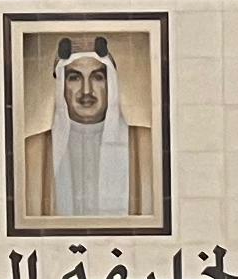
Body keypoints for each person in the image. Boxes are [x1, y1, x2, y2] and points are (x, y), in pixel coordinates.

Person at [21, 34, 156, 224]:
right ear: (62, 85)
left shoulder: (147, 144)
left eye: (97, 77)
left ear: (111, 84)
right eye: (75, 78)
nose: (86, 90)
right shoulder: (33, 150)